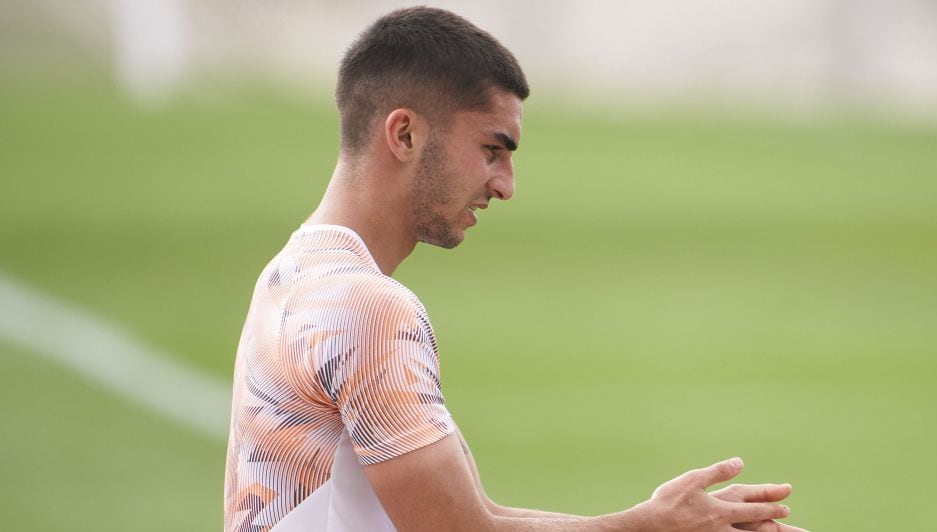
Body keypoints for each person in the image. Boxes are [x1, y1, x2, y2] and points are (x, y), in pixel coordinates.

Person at [224, 7, 805, 532]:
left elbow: (478, 515)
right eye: (491, 150)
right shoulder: (368, 311)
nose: (504, 186)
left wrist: (650, 522)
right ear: (404, 134)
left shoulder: (291, 273)